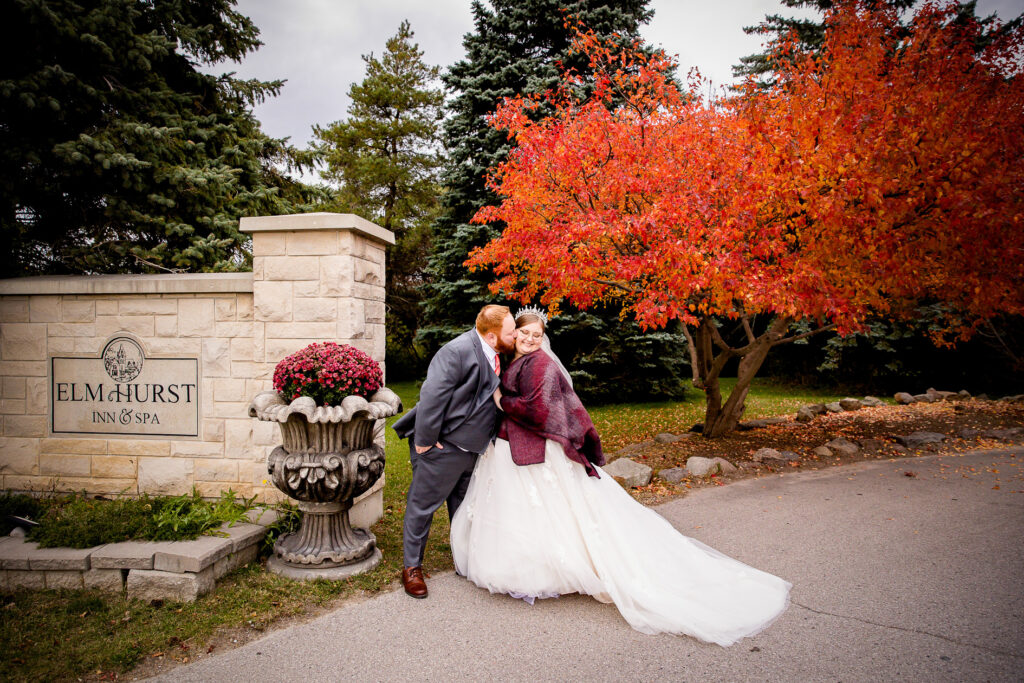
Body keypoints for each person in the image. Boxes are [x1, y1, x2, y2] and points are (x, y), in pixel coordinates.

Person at [449, 308, 792, 645]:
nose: (529, 339)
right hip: (518, 449)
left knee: (547, 509)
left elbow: (537, 411)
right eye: (524, 333)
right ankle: (531, 565)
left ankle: (548, 570)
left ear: (543, 338)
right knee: (530, 511)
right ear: (515, 332)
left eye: (536, 335)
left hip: (536, 451)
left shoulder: (541, 363)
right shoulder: (517, 360)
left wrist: (501, 400)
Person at [392, 304, 516, 599]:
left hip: (473, 450)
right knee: (423, 506)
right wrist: (425, 440)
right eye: (510, 332)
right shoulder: (457, 351)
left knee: (461, 507)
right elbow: (433, 396)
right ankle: (411, 568)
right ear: (490, 336)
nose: (515, 336)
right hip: (443, 447)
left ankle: (463, 559)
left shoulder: (496, 355)